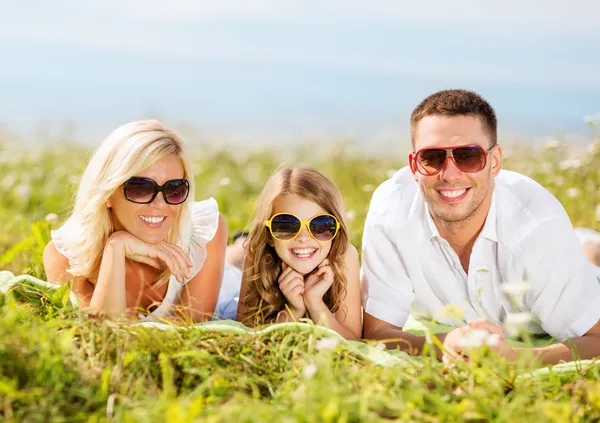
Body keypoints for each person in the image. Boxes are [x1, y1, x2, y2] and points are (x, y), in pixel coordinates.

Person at [361, 89, 600, 364]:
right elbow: (379, 331)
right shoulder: (391, 213)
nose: (450, 175)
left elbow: (596, 336)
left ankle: (589, 248)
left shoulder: (537, 227)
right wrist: (444, 345)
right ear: (414, 165)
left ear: (494, 162)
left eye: (468, 156)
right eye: (432, 158)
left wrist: (514, 358)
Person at [43, 119, 241, 322]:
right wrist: (116, 247)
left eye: (174, 189)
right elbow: (100, 336)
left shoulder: (204, 234)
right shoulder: (66, 257)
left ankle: (243, 244)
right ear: (108, 194)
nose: (160, 204)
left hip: (229, 288)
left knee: (243, 257)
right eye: (141, 188)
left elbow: (187, 331)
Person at [236, 167, 362, 340]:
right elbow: (246, 334)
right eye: (286, 226)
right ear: (269, 235)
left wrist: (315, 303)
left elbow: (352, 340)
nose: (303, 238)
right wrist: (293, 311)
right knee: (234, 257)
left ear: (337, 230)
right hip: (240, 265)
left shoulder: (344, 256)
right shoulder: (256, 251)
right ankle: (237, 243)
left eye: (321, 225)